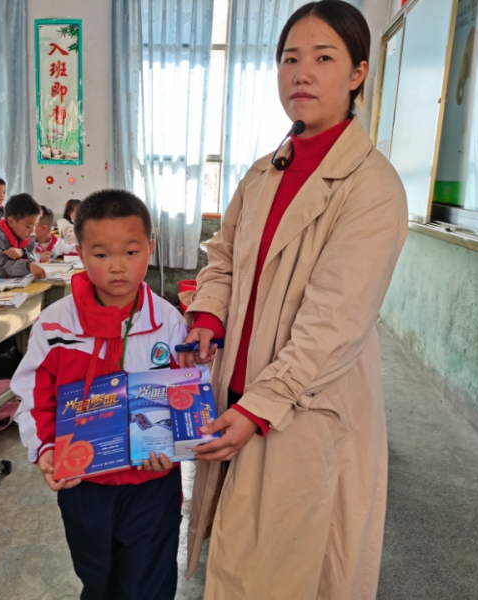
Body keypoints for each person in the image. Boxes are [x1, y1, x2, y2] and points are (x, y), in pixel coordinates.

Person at [178, 2, 409, 598]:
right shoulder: (264, 172)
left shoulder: (373, 187)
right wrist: (208, 313)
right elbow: (224, 255)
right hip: (235, 386)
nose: (302, 73)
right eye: (290, 59)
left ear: (358, 73)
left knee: (283, 568)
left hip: (302, 406)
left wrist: (261, 406)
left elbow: (334, 323)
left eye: (323, 58)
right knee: (239, 556)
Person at [11, 189, 201, 600]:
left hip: (152, 482)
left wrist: (175, 445)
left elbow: (185, 398)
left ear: (150, 248)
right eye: (101, 255)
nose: (118, 267)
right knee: (97, 580)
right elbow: (32, 395)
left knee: (148, 584)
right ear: (79, 252)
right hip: (84, 485)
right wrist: (44, 448)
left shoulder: (168, 323)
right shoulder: (56, 325)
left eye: (131, 252)